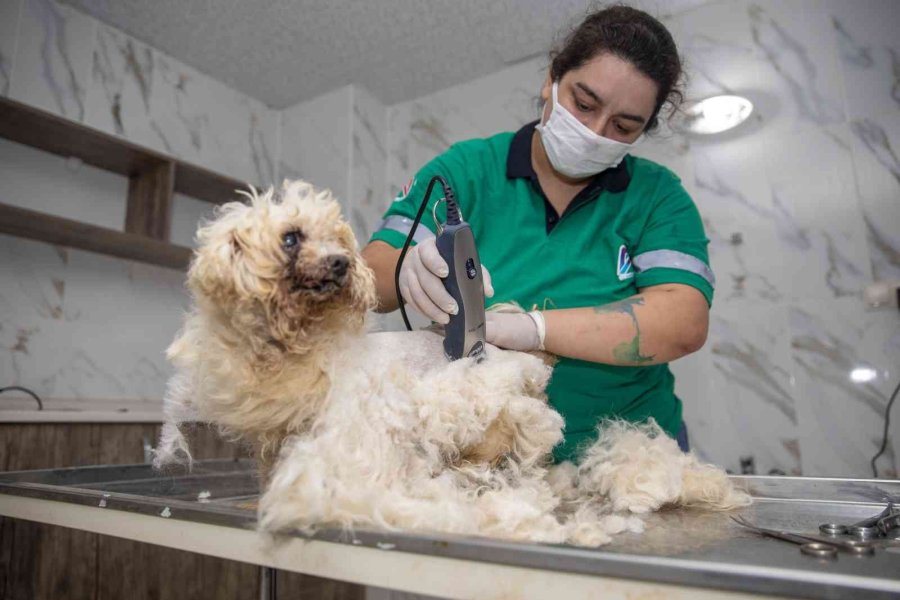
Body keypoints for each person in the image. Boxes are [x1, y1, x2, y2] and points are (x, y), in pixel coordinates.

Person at [361, 5, 712, 463]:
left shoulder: (658, 197)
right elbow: (370, 278)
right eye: (584, 104)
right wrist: (406, 265)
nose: (595, 132)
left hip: (631, 457)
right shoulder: (466, 171)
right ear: (551, 79)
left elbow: (683, 320)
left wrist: (536, 330)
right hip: (491, 460)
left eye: (624, 126)